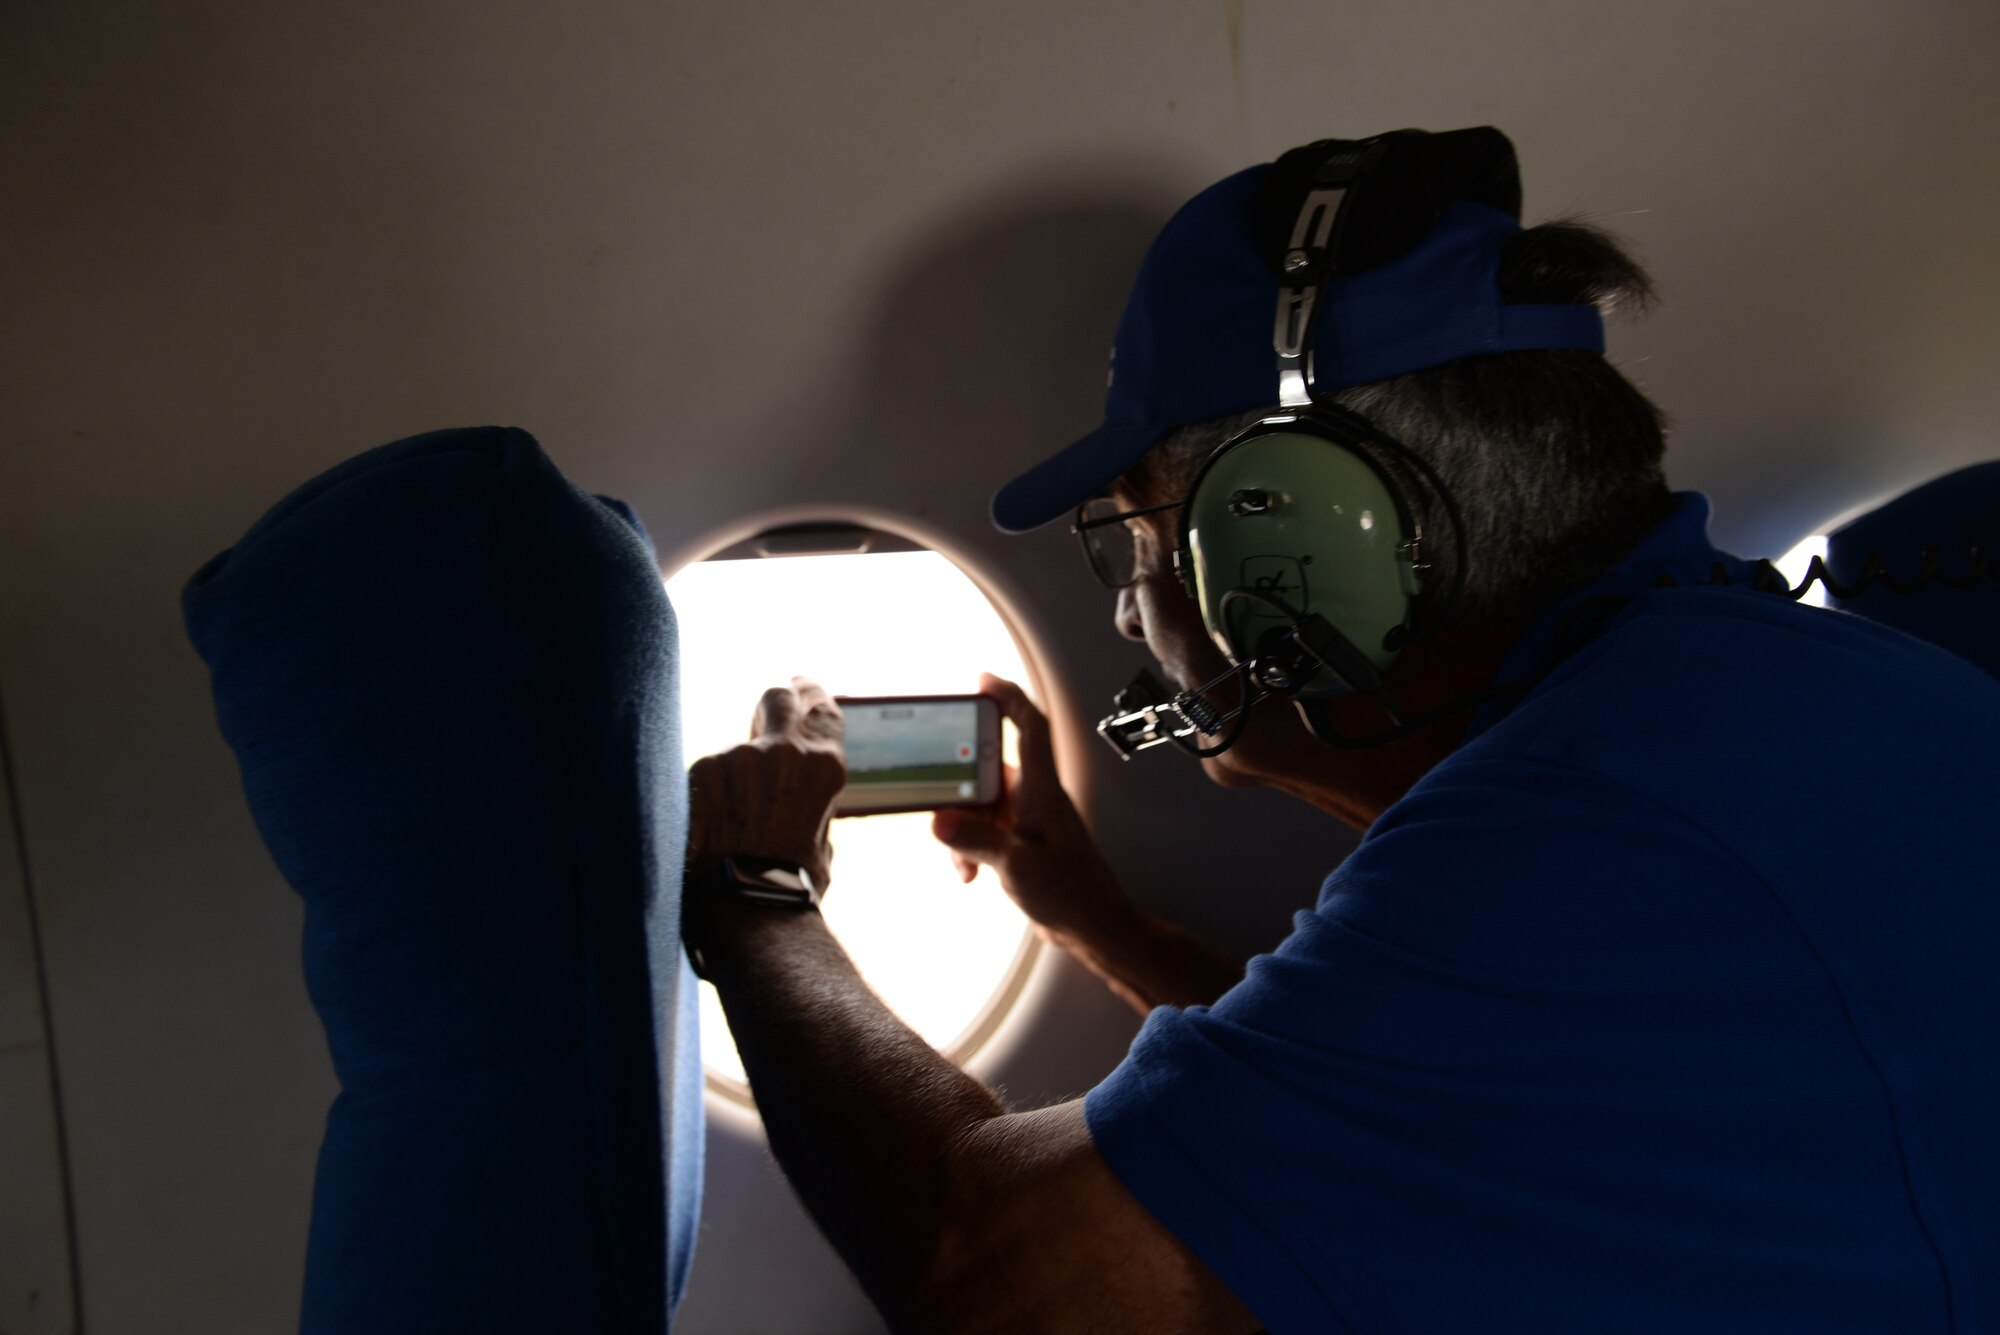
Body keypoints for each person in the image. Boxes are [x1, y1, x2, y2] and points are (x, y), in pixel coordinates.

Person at [681, 128, 2000, 1333]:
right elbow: (1389, 1124)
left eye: (1144, 537)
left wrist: (757, 899)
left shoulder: (1583, 839)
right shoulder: (1707, 721)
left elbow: (1002, 1274)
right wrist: (1100, 919)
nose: (1139, 614)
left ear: (1302, 535)